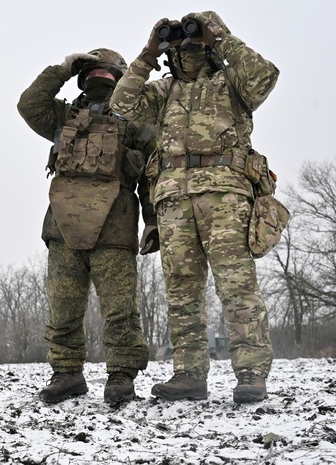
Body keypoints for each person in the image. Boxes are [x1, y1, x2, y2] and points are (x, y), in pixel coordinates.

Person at [110, 11, 279, 403]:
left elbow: (264, 77)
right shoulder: (163, 90)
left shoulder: (232, 83)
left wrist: (219, 36)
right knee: (181, 291)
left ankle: (251, 372)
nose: (188, 47)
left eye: (195, 39)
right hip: (172, 199)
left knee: (236, 285)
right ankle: (188, 374)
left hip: (225, 195)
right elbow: (122, 104)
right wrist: (149, 51)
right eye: (182, 41)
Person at [17, 48, 156, 405]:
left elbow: (151, 177)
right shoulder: (63, 116)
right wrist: (62, 68)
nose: (100, 80)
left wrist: (153, 221)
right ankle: (67, 374)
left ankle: (121, 376)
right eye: (92, 72)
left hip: (115, 229)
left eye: (107, 74)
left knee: (119, 309)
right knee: (63, 308)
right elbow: (28, 105)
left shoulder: (137, 120)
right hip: (63, 229)